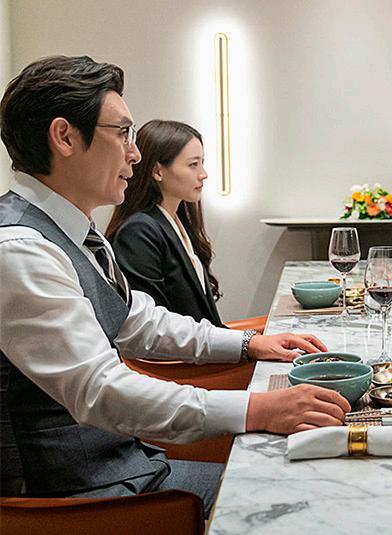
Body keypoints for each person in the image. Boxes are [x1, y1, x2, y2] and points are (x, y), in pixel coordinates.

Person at [0, 56, 350, 514]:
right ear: (64, 136)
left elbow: (140, 320)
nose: (135, 153)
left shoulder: (74, 233)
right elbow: (100, 389)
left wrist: (249, 343)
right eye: (123, 133)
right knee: (304, 498)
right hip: (76, 500)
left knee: (313, 478)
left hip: (129, 467)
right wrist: (257, 408)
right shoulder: (20, 249)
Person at [105, 120, 223, 326]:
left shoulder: (179, 223)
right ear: (158, 171)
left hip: (203, 342)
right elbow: (154, 325)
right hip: (179, 345)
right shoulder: (138, 232)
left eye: (202, 162)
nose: (203, 174)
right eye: (193, 164)